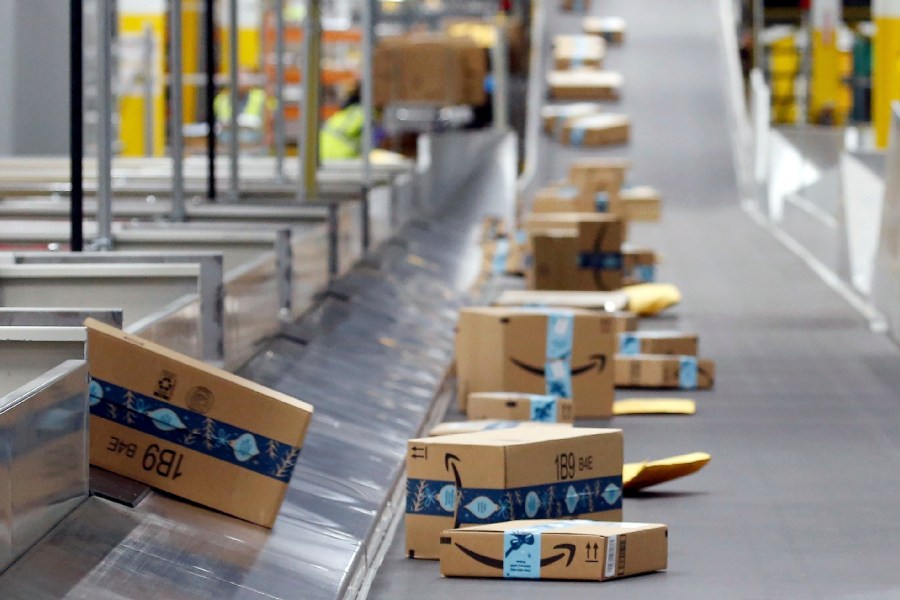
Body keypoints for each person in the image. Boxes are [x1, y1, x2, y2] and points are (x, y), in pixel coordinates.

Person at [214, 70, 269, 146]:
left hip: (253, 142)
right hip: (226, 141)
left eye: (243, 79)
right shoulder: (221, 99)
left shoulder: (260, 96)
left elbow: (269, 123)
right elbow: (218, 124)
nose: (239, 83)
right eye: (237, 78)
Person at [319, 86, 365, 160]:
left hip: (322, 154)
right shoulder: (363, 112)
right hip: (341, 157)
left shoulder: (343, 113)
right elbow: (376, 139)